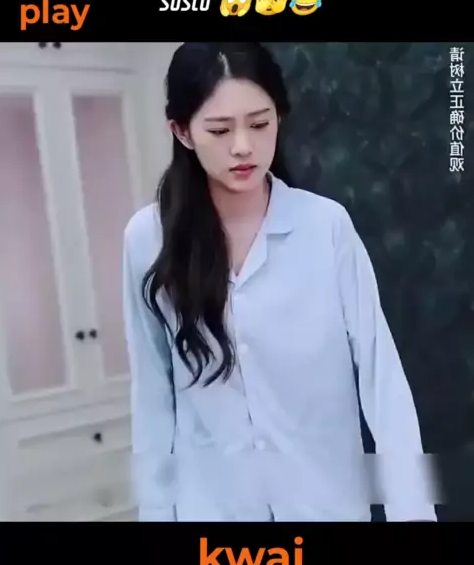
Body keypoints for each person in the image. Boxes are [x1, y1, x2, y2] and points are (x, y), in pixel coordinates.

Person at [122, 42, 437, 522]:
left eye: (259, 123)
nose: (243, 146)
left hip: (326, 507)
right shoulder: (147, 238)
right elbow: (152, 396)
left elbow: (383, 382)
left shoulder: (325, 227)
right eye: (220, 130)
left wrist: (412, 513)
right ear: (182, 132)